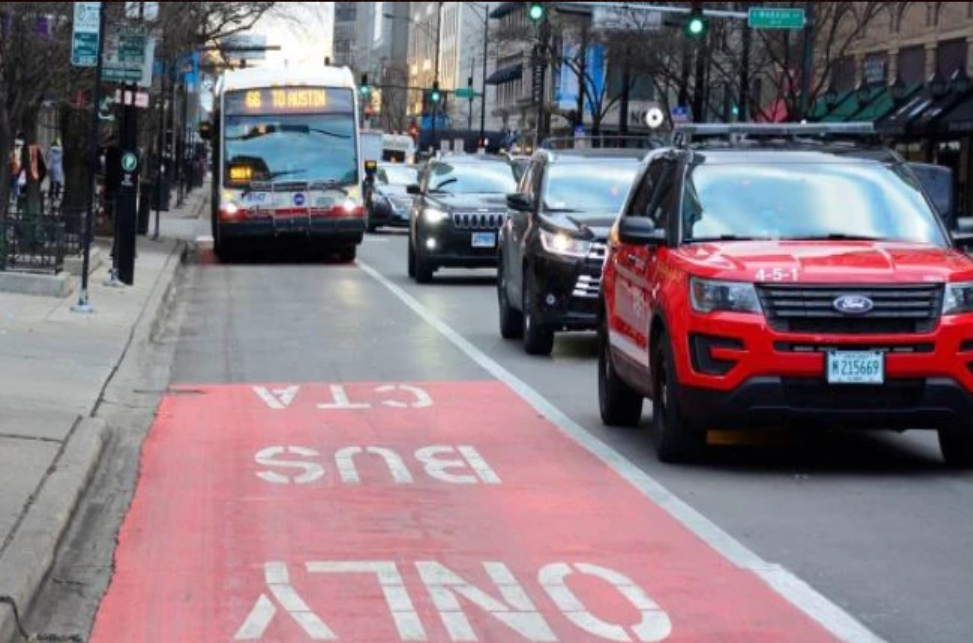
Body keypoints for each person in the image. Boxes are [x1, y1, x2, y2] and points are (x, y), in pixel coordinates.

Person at [47, 138, 64, 203]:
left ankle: (50, 195)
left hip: (52, 168)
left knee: (52, 182)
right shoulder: (60, 153)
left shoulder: (51, 152)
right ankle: (56, 195)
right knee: (58, 183)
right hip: (59, 169)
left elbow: (49, 158)